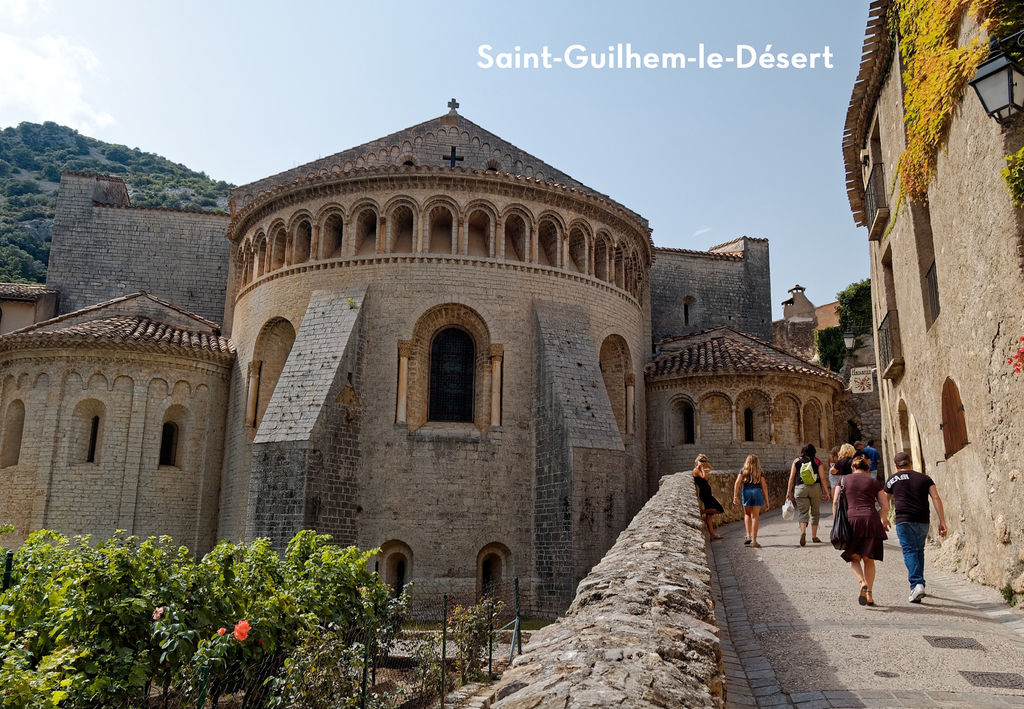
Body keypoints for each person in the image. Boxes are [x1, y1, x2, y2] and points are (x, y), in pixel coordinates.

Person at [883, 451, 948, 603]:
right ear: (911, 462)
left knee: (909, 550)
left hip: (904, 520)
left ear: (896, 466)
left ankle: (916, 584)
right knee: (919, 550)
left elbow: (884, 501)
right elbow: (936, 498)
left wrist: (884, 518)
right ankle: (920, 584)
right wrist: (942, 521)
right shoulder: (924, 478)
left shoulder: (892, 479)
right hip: (922, 520)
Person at [840, 455, 891, 606]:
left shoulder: (843, 480)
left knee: (854, 558)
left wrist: (840, 522)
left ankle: (862, 583)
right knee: (869, 559)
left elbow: (836, 501)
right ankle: (869, 595)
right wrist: (881, 518)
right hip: (871, 520)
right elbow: (885, 506)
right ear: (868, 469)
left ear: (852, 468)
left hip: (851, 521)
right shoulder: (874, 482)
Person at [786, 443, 831, 546]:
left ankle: (803, 531)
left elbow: (792, 478)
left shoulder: (796, 461)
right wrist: (827, 492)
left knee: (803, 512)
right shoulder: (817, 461)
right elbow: (823, 478)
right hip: (815, 488)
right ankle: (814, 537)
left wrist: (788, 492)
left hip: (800, 488)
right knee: (815, 513)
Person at [733, 454, 770, 547]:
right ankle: (754, 541)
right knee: (755, 516)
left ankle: (748, 536)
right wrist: (767, 500)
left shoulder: (743, 471)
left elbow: (737, 483)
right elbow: (764, 486)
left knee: (747, 514)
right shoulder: (759, 472)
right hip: (757, 492)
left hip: (746, 492)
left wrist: (735, 496)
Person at [693, 454, 725, 540]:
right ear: (697, 461)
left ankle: (712, 535)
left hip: (708, 493)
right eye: (702, 461)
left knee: (709, 515)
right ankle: (702, 511)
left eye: (704, 461)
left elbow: (711, 469)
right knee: (719, 509)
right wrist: (702, 468)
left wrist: (707, 464)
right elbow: (705, 478)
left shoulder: (701, 469)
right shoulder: (696, 470)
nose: (703, 463)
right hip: (704, 494)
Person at [830, 443, 857, 515]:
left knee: (835, 501)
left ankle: (836, 520)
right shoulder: (854, 461)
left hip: (842, 481)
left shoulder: (840, 461)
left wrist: (838, 472)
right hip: (853, 480)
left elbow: (832, 471)